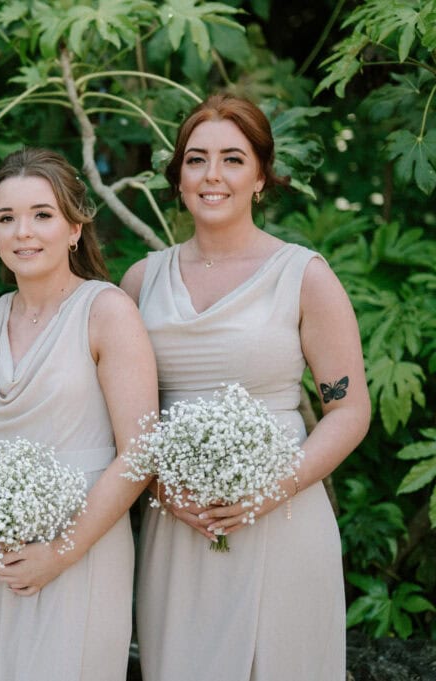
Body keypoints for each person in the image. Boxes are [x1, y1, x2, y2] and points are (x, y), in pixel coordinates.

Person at [120, 93, 370, 681]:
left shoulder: (304, 275)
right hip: (177, 524)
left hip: (282, 520)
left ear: (261, 176)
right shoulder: (140, 281)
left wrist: (269, 489)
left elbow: (350, 411)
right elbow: (124, 415)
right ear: (178, 176)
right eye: (196, 159)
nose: (213, 176)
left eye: (233, 159)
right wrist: (162, 485)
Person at [0, 147, 158, 680]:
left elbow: (140, 454)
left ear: (74, 228)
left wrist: (59, 553)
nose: (23, 232)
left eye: (42, 214)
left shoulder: (106, 311)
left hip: (82, 549)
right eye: (7, 217)